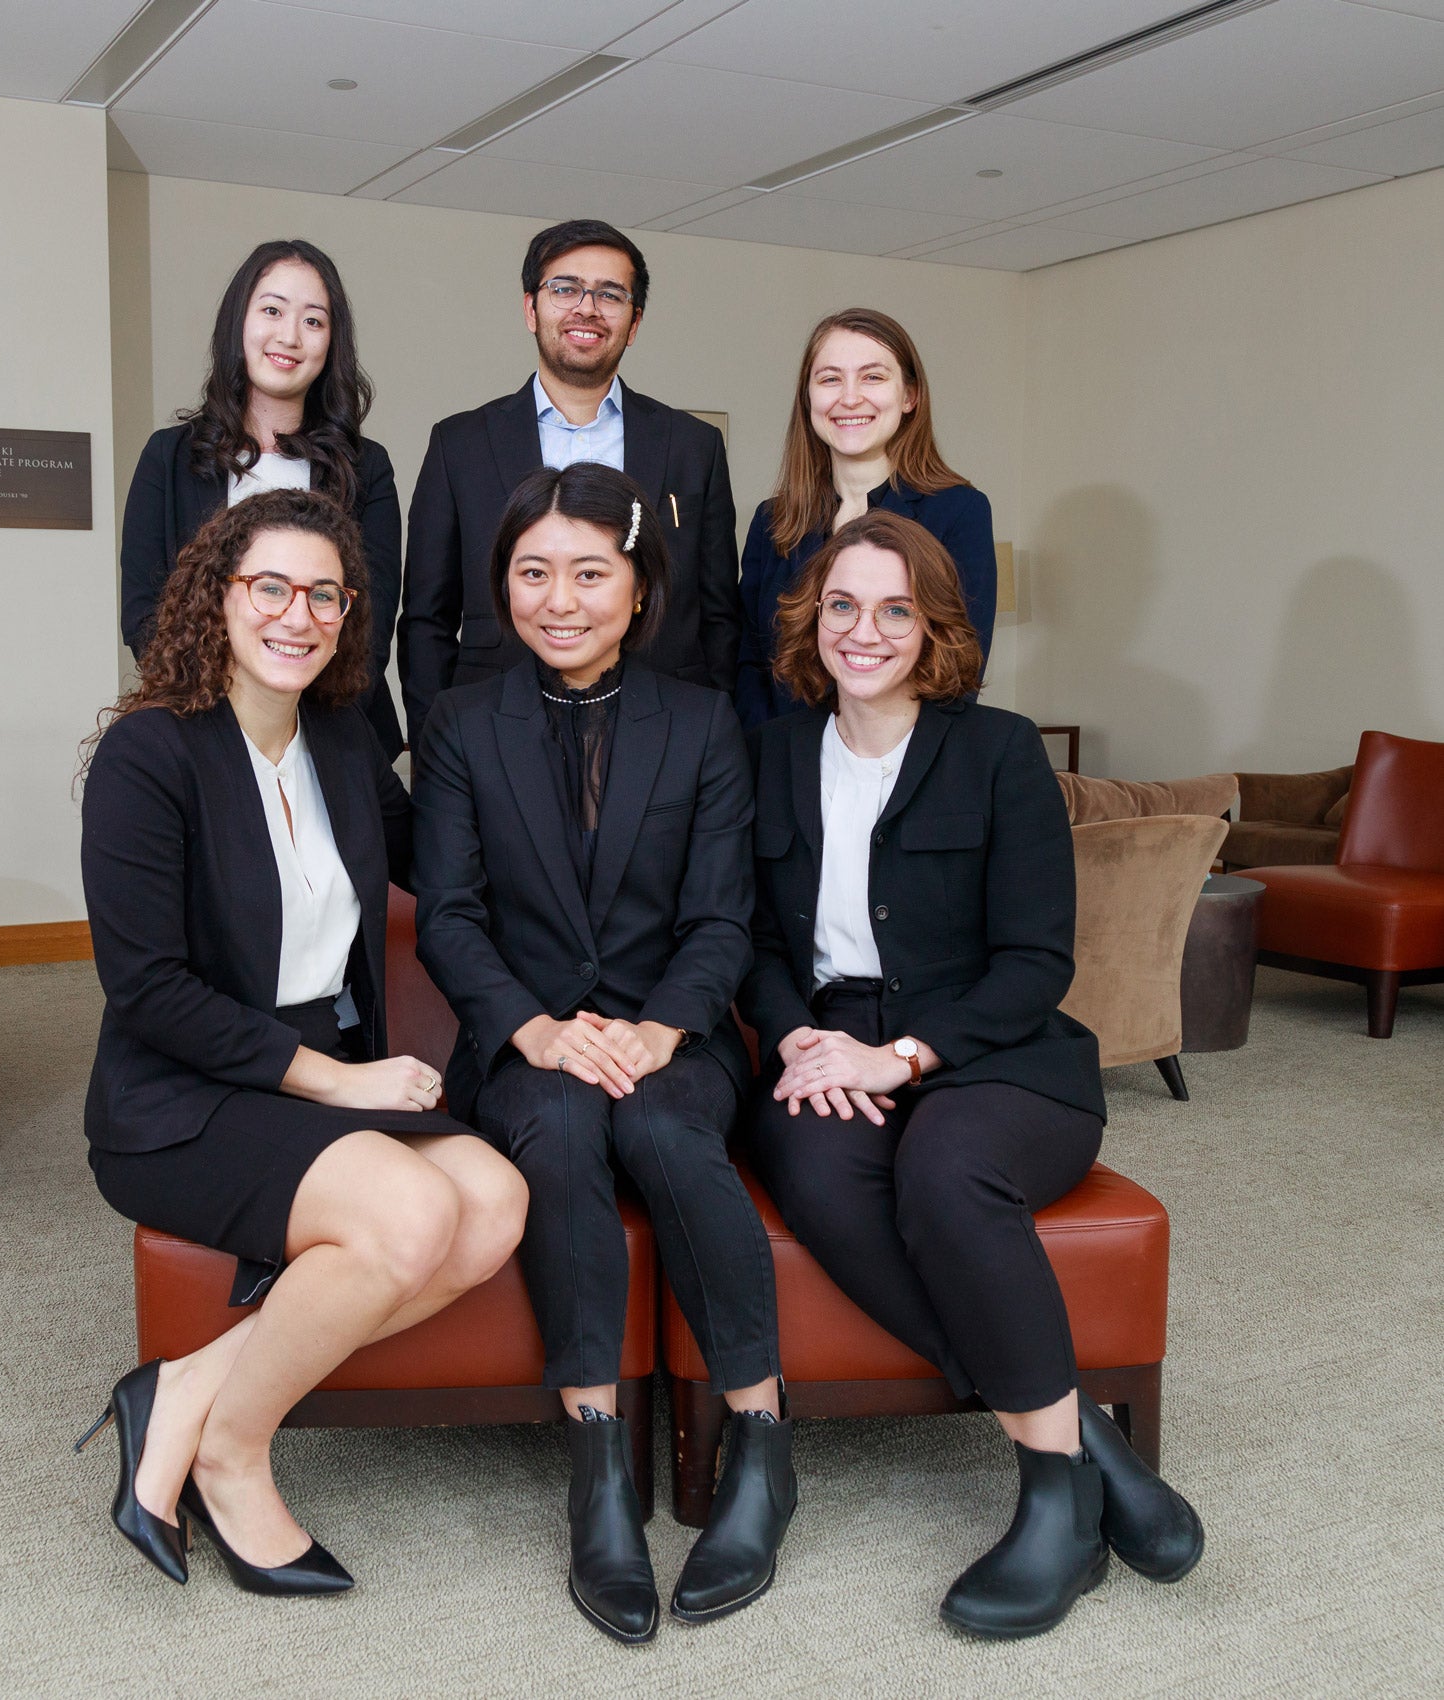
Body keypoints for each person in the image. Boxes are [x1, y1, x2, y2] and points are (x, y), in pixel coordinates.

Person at [740, 508, 1203, 1639]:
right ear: (811, 617)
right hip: (831, 1036)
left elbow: (1035, 963)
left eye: (895, 609)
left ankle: (1050, 1497)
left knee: (944, 1174)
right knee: (811, 1165)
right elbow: (744, 936)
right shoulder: (767, 751)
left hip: (995, 1052)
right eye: (842, 604)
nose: (864, 629)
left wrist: (901, 1055)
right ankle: (1088, 1437)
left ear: (932, 625)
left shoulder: (997, 752)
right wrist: (798, 1035)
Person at [77, 487, 527, 1597]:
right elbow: (147, 989)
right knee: (416, 1210)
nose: (298, 613)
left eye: (323, 593)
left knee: (495, 1202)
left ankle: (182, 1391)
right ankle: (234, 1451)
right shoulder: (148, 755)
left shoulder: (338, 738)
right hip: (182, 1094)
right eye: (268, 586)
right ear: (215, 598)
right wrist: (336, 1077)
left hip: (318, 1075)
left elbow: (453, 872)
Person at [412, 464, 791, 1644]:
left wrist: (659, 1026)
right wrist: (531, 1027)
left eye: (589, 572)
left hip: (666, 1027)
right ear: (502, 587)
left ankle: (763, 1442)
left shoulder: (700, 718)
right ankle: (598, 1464)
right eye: (532, 572)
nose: (558, 598)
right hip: (526, 1033)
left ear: (639, 590)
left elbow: (723, 916)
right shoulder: (464, 722)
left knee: (661, 1120)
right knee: (564, 1124)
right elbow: (450, 914)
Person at [398, 218, 740, 749]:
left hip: (663, 728)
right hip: (495, 728)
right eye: (565, 289)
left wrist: (715, 734)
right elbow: (425, 619)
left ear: (635, 321)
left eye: (610, 294)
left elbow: (720, 613)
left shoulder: (693, 446)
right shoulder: (460, 444)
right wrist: (433, 743)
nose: (587, 308)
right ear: (531, 309)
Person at [118, 239, 406, 757]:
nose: (289, 336)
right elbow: (144, 611)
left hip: (339, 732)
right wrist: (230, 715)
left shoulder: (368, 468)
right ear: (238, 324)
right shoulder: (169, 457)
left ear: (332, 343)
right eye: (272, 310)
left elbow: (372, 625)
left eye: (314, 321)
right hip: (198, 727)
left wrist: (288, 719)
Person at [735, 308, 996, 728]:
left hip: (904, 766)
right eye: (830, 378)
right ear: (808, 396)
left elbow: (959, 668)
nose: (850, 397)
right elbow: (749, 660)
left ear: (910, 395)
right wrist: (772, 755)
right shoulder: (773, 520)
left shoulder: (959, 511)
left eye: (873, 377)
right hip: (784, 764)